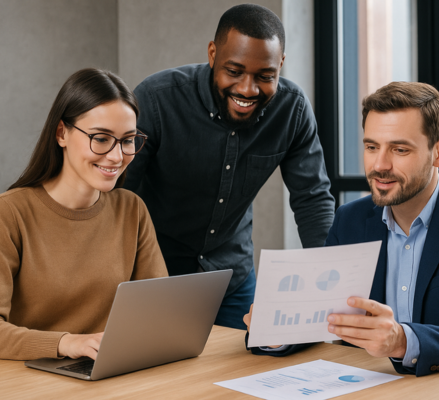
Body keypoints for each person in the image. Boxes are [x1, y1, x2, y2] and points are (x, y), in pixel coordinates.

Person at [244, 81, 439, 376]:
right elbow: (321, 318)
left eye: (400, 149)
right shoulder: (349, 220)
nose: (380, 165)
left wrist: (403, 341)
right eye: (371, 147)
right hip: (363, 386)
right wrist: (277, 333)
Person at [123, 4, 335, 330]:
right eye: (233, 71)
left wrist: (329, 283)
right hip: (157, 275)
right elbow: (118, 198)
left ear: (281, 64)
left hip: (232, 278)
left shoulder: (291, 110)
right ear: (212, 54)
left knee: (240, 376)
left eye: (265, 76)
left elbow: (313, 199)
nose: (247, 89)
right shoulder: (156, 99)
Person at [0, 68, 168, 361]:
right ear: (62, 133)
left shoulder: (132, 210)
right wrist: (66, 343)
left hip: (107, 373)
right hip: (30, 379)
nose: (117, 156)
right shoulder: (9, 214)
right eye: (101, 138)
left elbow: (161, 311)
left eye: (128, 140)